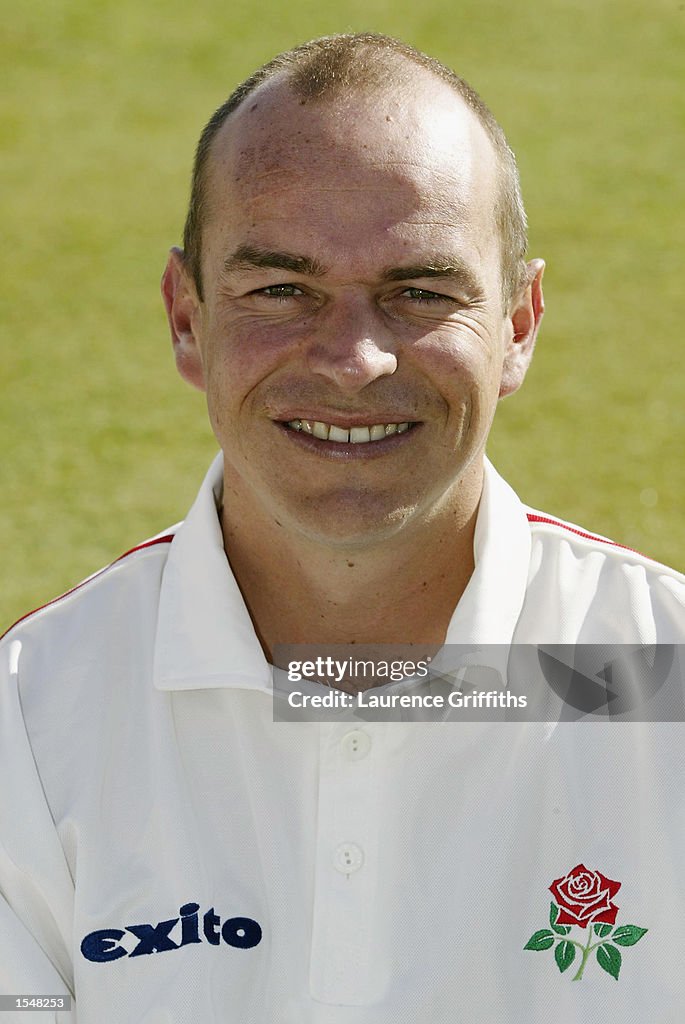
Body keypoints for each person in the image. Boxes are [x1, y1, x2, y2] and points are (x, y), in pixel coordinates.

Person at [1, 32, 683, 1024]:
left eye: (420, 291)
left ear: (519, 325)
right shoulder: (30, 721)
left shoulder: (663, 675)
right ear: (187, 319)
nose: (355, 359)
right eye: (282, 289)